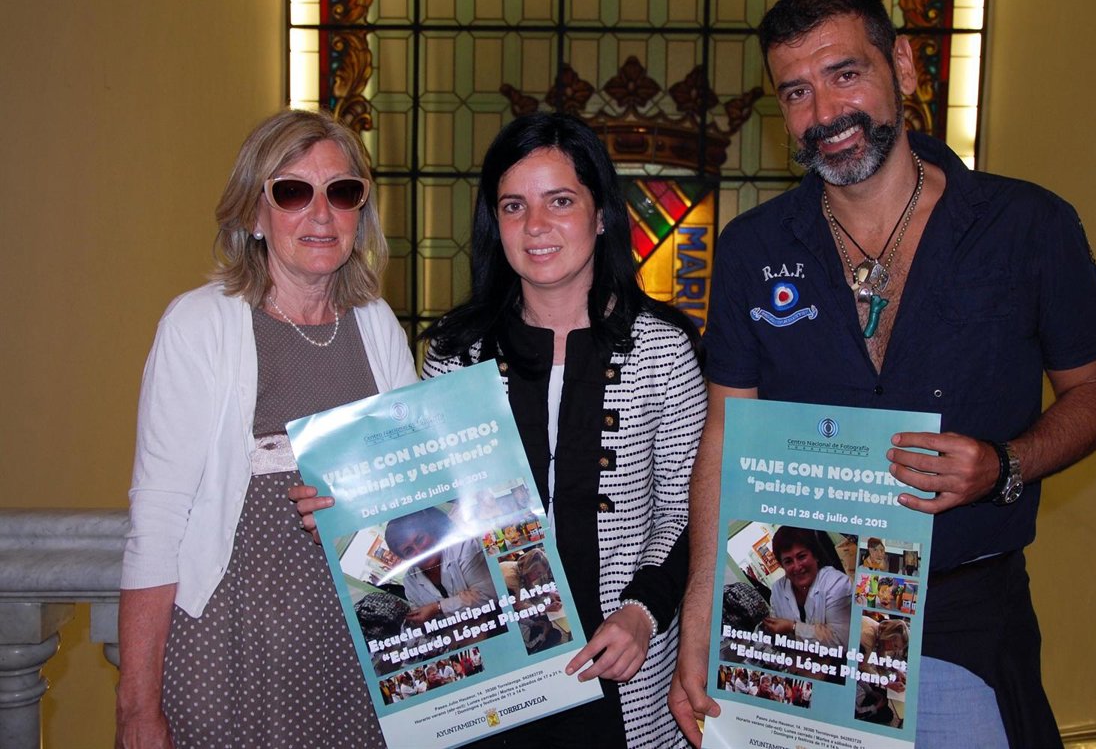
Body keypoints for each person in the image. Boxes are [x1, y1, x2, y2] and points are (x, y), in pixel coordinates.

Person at [668, 0, 1096, 749]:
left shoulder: (1028, 226)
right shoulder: (752, 249)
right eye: (796, 93)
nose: (825, 113)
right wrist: (700, 610)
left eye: (845, 73)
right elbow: (725, 435)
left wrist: (1006, 463)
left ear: (905, 67)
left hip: (963, 624)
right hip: (793, 630)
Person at [293, 111, 705, 747]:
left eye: (560, 201)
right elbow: (423, 499)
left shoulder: (663, 349)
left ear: (600, 214)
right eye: (514, 206)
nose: (536, 225)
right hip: (494, 673)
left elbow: (685, 512)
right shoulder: (457, 353)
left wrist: (643, 611)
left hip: (623, 666)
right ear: (495, 222)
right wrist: (345, 501)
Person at [116, 110, 418, 748]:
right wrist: (136, 706)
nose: (321, 214)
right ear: (255, 212)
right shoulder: (199, 325)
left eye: (342, 192)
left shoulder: (378, 324)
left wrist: (360, 501)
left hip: (361, 649)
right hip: (229, 648)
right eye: (292, 192)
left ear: (360, 211)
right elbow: (158, 520)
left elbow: (416, 492)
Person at [383, 507, 498, 626]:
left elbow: (489, 594)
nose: (419, 551)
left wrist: (437, 608)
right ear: (405, 558)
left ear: (431, 531)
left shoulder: (462, 547)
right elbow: (424, 622)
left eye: (420, 539)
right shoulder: (410, 581)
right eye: (409, 551)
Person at [760, 527, 852, 649]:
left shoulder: (837, 583)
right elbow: (777, 636)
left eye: (801, 556)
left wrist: (793, 627)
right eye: (788, 561)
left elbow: (841, 640)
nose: (797, 567)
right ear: (782, 566)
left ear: (816, 556)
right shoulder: (778, 590)